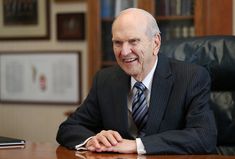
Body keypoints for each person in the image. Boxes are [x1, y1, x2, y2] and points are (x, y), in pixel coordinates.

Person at [56, 8, 217, 154]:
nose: (124, 52)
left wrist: (137, 145)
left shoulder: (191, 77)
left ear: (156, 43)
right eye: (117, 43)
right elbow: (68, 129)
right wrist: (93, 140)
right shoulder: (105, 80)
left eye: (133, 41)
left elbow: (204, 136)